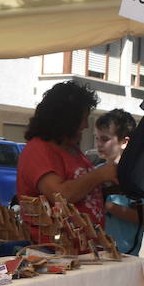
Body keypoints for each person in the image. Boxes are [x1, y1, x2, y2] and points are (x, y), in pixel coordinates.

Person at [17, 81, 115, 226]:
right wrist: (100, 175)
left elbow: (81, 189)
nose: (86, 125)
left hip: (84, 245)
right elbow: (60, 195)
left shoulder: (71, 149)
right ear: (66, 120)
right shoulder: (37, 150)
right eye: (83, 119)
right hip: (52, 247)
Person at [94, 108, 144, 254]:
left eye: (105, 139)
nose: (98, 144)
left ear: (124, 141)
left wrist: (109, 206)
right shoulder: (95, 171)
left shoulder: (137, 176)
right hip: (97, 252)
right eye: (96, 138)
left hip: (124, 254)